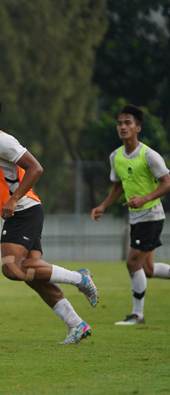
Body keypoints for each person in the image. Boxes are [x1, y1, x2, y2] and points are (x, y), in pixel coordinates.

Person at [0, 94, 98, 345]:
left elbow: (36, 168)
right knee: (34, 278)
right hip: (22, 210)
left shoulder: (2, 141)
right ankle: (76, 324)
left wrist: (14, 199)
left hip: (23, 209)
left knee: (11, 268)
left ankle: (80, 278)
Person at [91, 104, 170, 326]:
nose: (122, 127)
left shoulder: (149, 155)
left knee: (132, 263)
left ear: (138, 128)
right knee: (148, 269)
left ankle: (137, 315)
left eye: (128, 123)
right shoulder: (115, 156)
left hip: (151, 215)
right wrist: (103, 206)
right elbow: (117, 187)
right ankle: (138, 314)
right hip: (136, 217)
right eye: (120, 123)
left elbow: (167, 183)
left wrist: (144, 198)